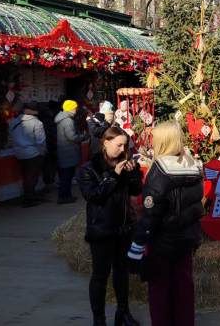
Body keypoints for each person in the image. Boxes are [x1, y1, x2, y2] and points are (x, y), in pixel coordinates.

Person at [127, 121, 204, 326]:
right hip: (187, 239)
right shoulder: (194, 166)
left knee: (160, 293)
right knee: (184, 290)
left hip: (162, 242)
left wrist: (136, 247)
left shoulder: (159, 171)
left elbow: (151, 215)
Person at [77, 126, 142, 326]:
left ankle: (122, 313)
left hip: (123, 228)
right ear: (105, 143)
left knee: (122, 272)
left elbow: (136, 191)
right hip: (101, 229)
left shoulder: (125, 163)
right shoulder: (89, 169)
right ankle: (99, 319)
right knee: (100, 275)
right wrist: (113, 175)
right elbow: (94, 195)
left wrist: (132, 175)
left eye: (125, 145)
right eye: (118, 145)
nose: (122, 149)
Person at [9, 102, 46, 207]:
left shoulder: (13, 122)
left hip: (19, 153)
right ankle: (29, 199)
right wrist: (42, 152)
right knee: (32, 177)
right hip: (33, 153)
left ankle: (28, 196)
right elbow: (41, 141)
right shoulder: (37, 123)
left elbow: (10, 138)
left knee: (25, 176)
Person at [55, 99, 88, 204]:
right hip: (68, 151)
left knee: (65, 175)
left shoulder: (63, 118)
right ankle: (64, 197)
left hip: (64, 150)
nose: (76, 109)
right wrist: (83, 136)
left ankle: (65, 195)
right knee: (67, 176)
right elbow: (71, 137)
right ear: (71, 108)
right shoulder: (68, 120)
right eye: (75, 107)